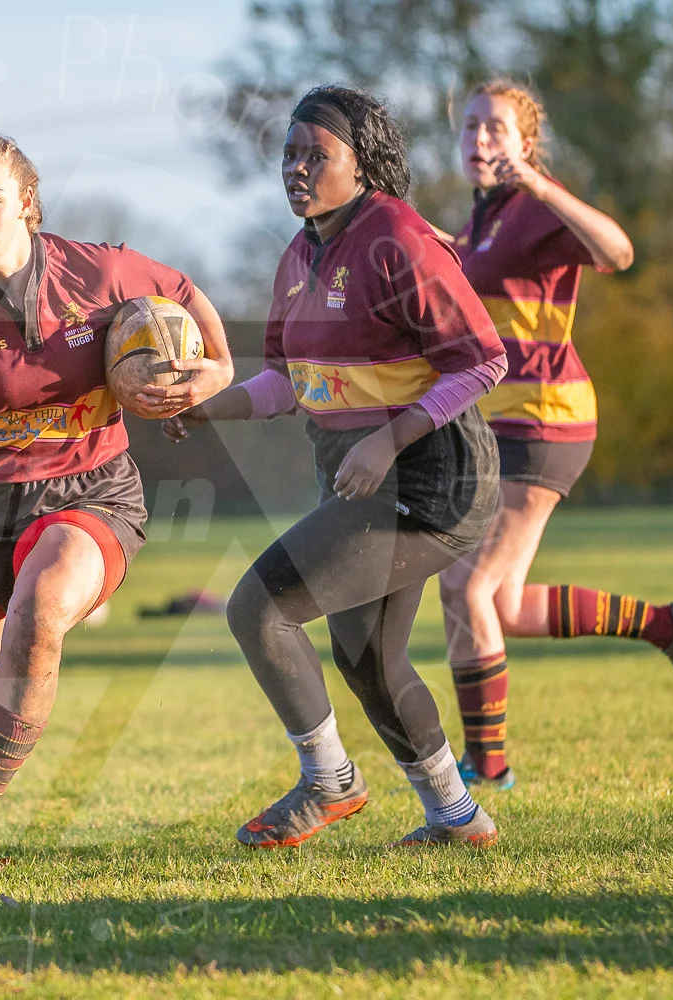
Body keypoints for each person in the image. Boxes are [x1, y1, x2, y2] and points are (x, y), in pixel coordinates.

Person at [0, 121, 233, 880]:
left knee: (41, 609)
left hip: (89, 488)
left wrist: (217, 372)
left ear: (27, 202)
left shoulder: (98, 274)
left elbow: (186, 294)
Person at [166, 85, 508, 849]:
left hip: (433, 484)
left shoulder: (397, 236)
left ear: (364, 165)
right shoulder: (298, 253)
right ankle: (458, 817)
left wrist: (388, 437)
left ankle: (330, 782)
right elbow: (288, 383)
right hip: (371, 490)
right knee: (366, 656)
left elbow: (484, 360)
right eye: (288, 154)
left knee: (259, 606)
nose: (295, 167)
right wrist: (201, 404)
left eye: (315, 154)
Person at [436, 79, 673, 792]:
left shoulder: (531, 205)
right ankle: (670, 625)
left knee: (467, 585)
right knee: (504, 604)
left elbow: (619, 252)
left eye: (495, 128)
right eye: (469, 128)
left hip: (545, 418)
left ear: (525, 142)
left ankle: (487, 769)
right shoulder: (485, 218)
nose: (479, 140)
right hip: (506, 422)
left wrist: (543, 184)